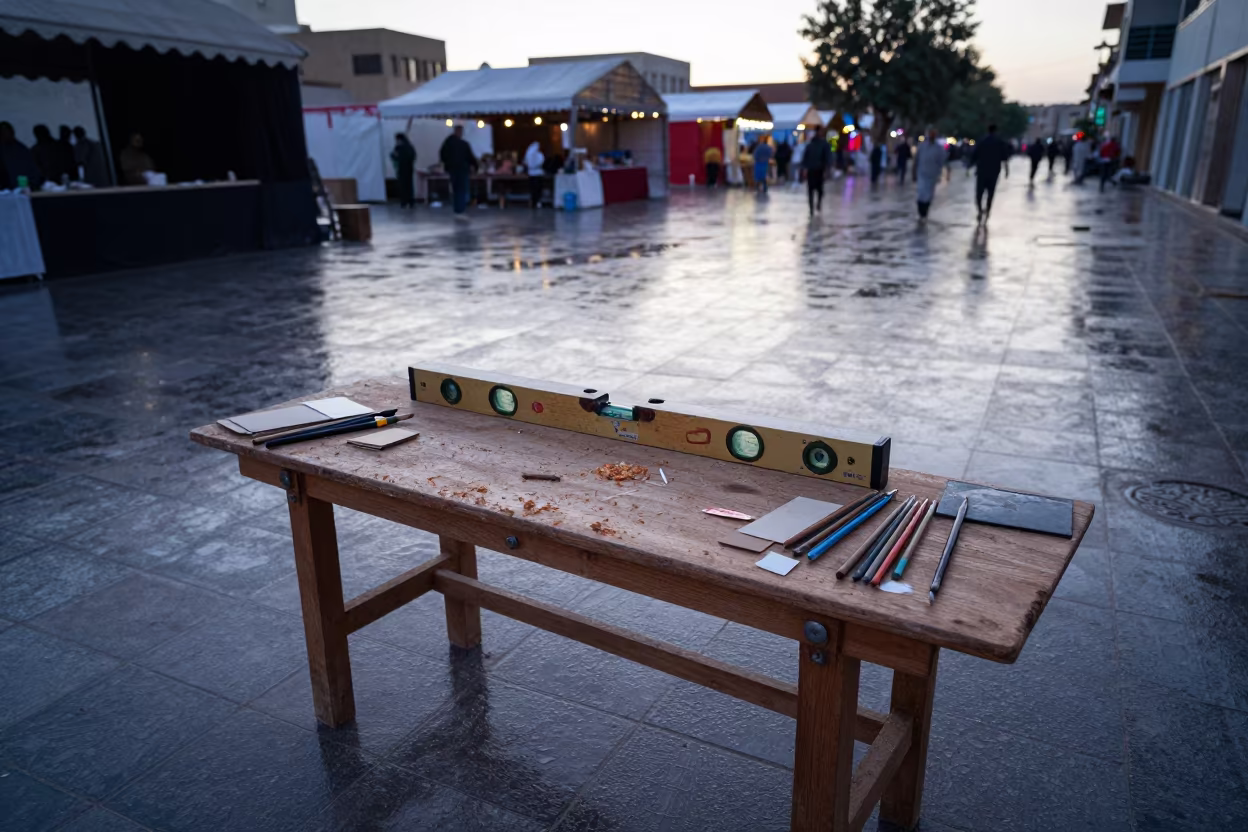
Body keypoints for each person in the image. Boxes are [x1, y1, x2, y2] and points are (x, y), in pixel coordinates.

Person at [971, 123, 1010, 224]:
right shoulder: (1000, 142)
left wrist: (969, 165)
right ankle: (988, 211)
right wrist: (1006, 170)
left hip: (982, 171)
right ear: (996, 130)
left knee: (979, 193)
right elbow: (1005, 157)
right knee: (990, 193)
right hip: (994, 172)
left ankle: (980, 210)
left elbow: (974, 154)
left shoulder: (982, 141)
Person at [439, 124, 477, 218]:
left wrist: (447, 164)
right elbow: (470, 157)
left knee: (456, 189)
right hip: (462, 169)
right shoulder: (464, 144)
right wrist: (476, 166)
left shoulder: (448, 143)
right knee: (461, 189)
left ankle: (457, 208)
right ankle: (460, 209)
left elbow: (442, 154)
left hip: (453, 169)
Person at [801, 126, 833, 215]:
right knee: (811, 190)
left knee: (819, 190)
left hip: (819, 170)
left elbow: (828, 157)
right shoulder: (811, 144)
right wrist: (804, 169)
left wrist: (827, 169)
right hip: (812, 170)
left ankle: (818, 204)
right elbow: (805, 157)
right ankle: (811, 208)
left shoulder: (824, 144)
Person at [0, 121, 42, 189]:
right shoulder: (20, 148)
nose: (6, 134)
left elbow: (32, 170)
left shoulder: (21, 149)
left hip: (23, 187)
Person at [914, 129, 945, 220]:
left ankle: (925, 213)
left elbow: (941, 162)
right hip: (921, 174)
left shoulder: (939, 148)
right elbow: (916, 159)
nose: (931, 136)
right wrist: (913, 172)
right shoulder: (922, 146)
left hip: (932, 176)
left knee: (929, 196)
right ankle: (921, 212)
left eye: (933, 134)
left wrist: (940, 174)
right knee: (921, 194)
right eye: (930, 134)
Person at [391, 133, 416, 208]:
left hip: (402, 168)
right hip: (409, 168)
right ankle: (410, 201)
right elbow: (413, 156)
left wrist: (395, 157)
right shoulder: (409, 146)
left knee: (403, 186)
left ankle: (404, 201)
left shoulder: (399, 147)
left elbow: (395, 156)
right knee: (409, 185)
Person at [524, 141, 545, 208]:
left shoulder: (537, 155)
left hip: (535, 174)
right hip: (535, 174)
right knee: (535, 189)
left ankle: (535, 202)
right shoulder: (538, 155)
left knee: (535, 189)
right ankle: (535, 202)